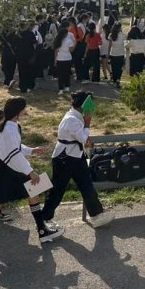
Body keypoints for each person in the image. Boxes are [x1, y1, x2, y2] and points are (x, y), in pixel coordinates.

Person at [0, 97, 62, 252]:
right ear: (18, 111)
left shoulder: (10, 126)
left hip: (8, 168)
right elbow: (14, 154)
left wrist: (31, 150)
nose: (26, 111)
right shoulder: (10, 128)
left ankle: (42, 230)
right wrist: (31, 172)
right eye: (24, 109)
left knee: (35, 191)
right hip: (9, 170)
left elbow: (12, 148)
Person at [41, 91, 113, 228]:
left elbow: (80, 137)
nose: (93, 108)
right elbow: (82, 138)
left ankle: (97, 215)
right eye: (91, 104)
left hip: (76, 156)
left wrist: (85, 130)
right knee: (57, 189)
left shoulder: (76, 116)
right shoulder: (71, 119)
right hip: (65, 158)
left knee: (86, 185)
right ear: (84, 105)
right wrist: (87, 123)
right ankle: (44, 219)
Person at [53, 24, 75, 95]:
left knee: (60, 75)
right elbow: (71, 50)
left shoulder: (57, 40)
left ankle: (60, 89)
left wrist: (55, 60)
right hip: (67, 58)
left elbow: (56, 51)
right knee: (66, 73)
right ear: (65, 34)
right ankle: (67, 86)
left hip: (60, 58)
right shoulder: (69, 41)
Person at [107, 22, 126, 88]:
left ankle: (115, 80)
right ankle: (118, 79)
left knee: (114, 68)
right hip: (120, 53)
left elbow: (109, 46)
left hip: (113, 53)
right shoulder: (123, 35)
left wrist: (108, 54)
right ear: (120, 27)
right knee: (119, 68)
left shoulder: (111, 35)